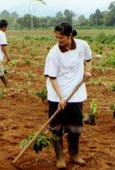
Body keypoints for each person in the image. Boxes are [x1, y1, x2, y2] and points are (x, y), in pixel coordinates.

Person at [44, 22, 92, 169]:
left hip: (76, 93)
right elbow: (52, 77)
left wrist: (88, 71)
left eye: (62, 38)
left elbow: (88, 59)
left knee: (75, 127)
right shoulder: (54, 53)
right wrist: (60, 97)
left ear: (70, 35)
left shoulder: (82, 45)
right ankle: (60, 157)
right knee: (56, 127)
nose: (59, 40)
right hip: (57, 93)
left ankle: (74, 154)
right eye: (57, 37)